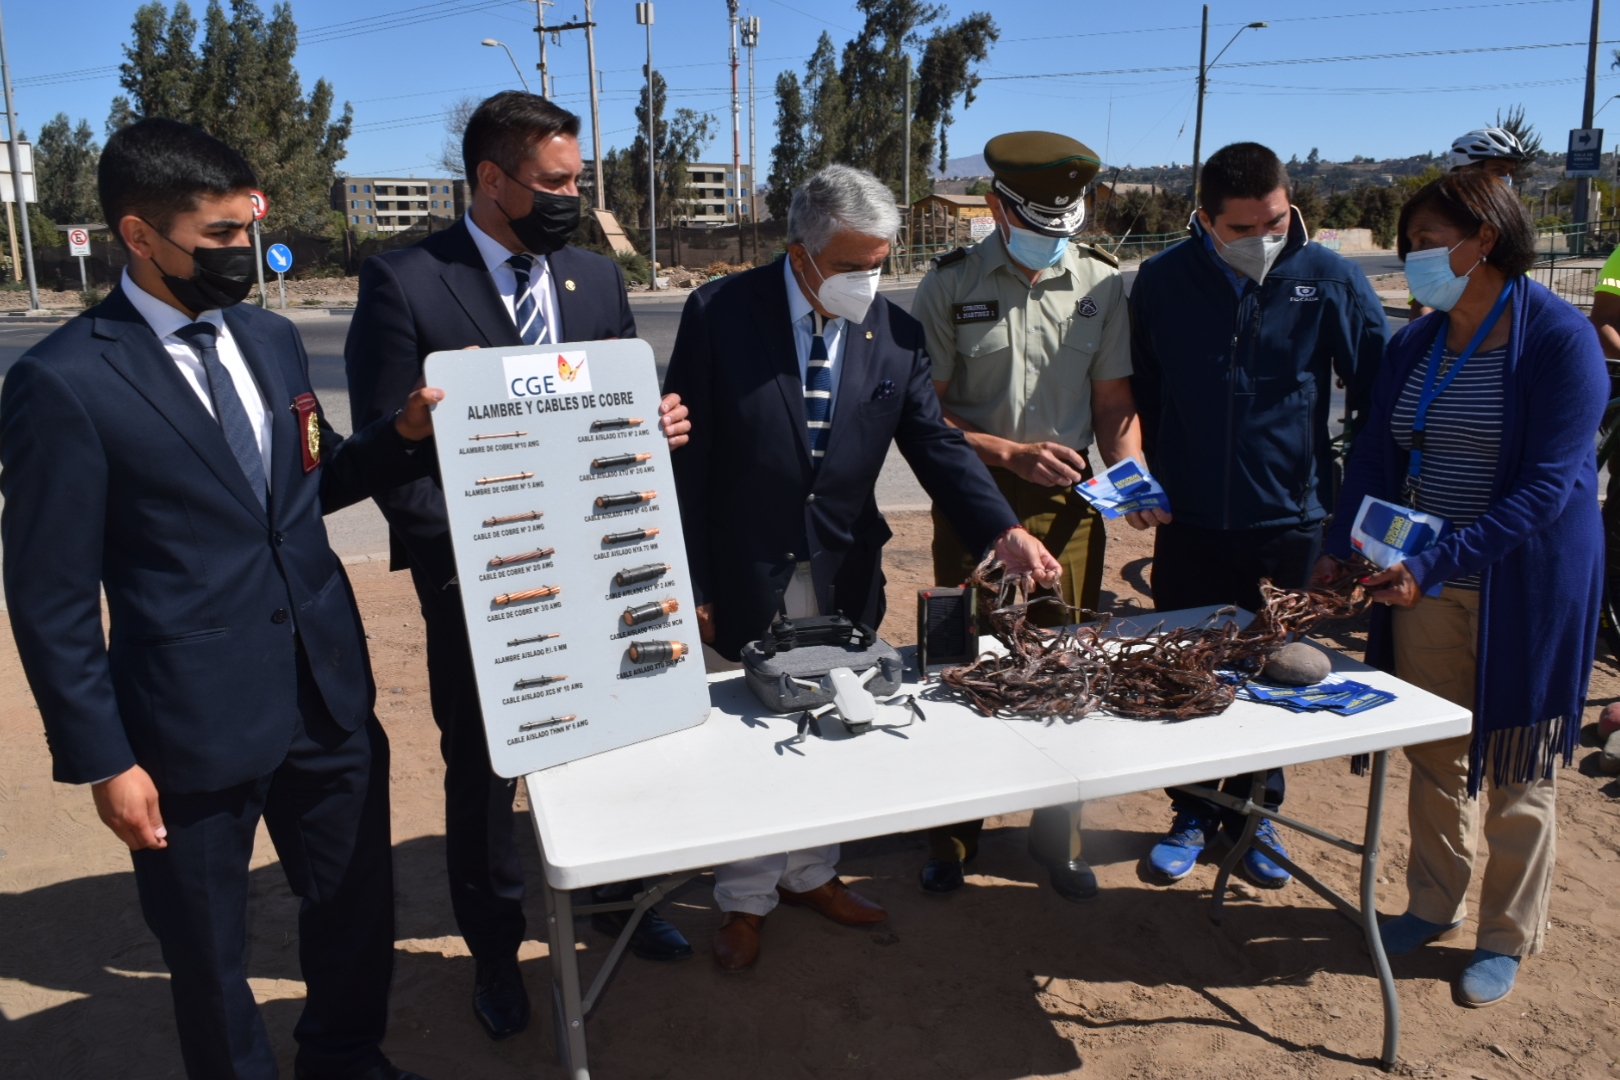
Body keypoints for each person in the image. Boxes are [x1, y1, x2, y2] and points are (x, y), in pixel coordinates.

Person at [1, 118, 440, 1080]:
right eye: (219, 239)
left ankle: (344, 1058)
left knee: (353, 909)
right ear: (139, 235)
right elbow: (50, 595)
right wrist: (104, 758)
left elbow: (311, 484)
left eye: (247, 230)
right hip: (185, 725)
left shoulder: (273, 339)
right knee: (208, 952)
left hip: (326, 693)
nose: (244, 254)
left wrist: (402, 433)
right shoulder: (62, 382)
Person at [344, 91, 693, 1041]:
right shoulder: (407, 282)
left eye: (577, 180)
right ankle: (496, 952)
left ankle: (620, 902)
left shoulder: (589, 275)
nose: (572, 197)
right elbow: (388, 452)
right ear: (490, 180)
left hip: (605, 568)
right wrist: (472, 565)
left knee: (615, 738)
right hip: (479, 587)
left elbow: (615, 409)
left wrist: (656, 426)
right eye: (554, 183)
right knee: (488, 777)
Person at [664, 163, 1061, 973]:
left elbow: (939, 450)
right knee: (750, 737)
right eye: (851, 265)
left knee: (833, 724)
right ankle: (744, 900)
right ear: (801, 252)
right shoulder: (720, 314)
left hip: (842, 569)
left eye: (878, 262)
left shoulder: (896, 333)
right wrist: (692, 587)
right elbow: (688, 463)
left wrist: (1003, 531)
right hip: (745, 567)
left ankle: (812, 873)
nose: (867, 280)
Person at [1313, 169, 1605, 1007]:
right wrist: (1343, 546)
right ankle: (1433, 905)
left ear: (1487, 241)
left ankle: (1506, 937)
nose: (1416, 258)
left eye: (1432, 243)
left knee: (1519, 761)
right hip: (1421, 583)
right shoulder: (1420, 340)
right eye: (1411, 242)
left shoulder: (1559, 340)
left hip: (1529, 585)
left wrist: (1434, 563)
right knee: (1436, 751)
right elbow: (1374, 451)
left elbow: (1552, 485)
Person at [910, 130, 1165, 902]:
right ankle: (952, 838)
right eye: (1038, 222)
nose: (1054, 239)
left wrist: (1134, 474)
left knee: (1066, 665)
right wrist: (1008, 454)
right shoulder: (948, 285)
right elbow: (928, 418)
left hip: (1069, 506)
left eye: (1066, 224)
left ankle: (1063, 839)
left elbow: (1114, 404)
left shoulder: (1100, 284)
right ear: (996, 206)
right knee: (965, 662)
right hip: (973, 497)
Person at [1130, 141, 1387, 889]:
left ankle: (1258, 815)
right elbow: (1139, 394)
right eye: (1243, 229)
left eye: (1275, 221)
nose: (1264, 240)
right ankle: (1192, 810)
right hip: (1190, 524)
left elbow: (1379, 390)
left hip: (1292, 522)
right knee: (1188, 670)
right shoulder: (1162, 281)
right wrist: (1142, 477)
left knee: (1274, 679)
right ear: (1205, 221)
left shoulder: (1328, 276)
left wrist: (1352, 508)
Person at [1409, 128, 1532, 317]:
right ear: (1467, 171)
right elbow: (1422, 306)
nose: (1507, 179)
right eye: (1497, 170)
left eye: (1509, 172)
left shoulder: (1509, 226)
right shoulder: (1436, 230)